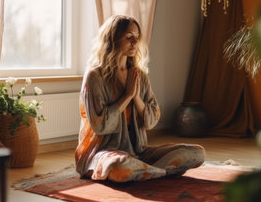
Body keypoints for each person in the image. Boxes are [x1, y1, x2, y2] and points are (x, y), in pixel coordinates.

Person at [75, 15, 205, 182]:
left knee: (197, 153)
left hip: (139, 152)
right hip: (104, 152)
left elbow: (151, 120)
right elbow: (100, 126)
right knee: (119, 166)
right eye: (129, 37)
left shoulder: (139, 75)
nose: (135, 43)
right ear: (112, 39)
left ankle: (144, 171)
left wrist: (136, 97)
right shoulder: (95, 76)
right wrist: (127, 96)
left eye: (137, 37)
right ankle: (157, 171)